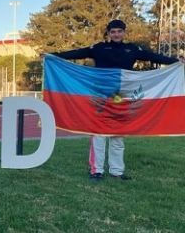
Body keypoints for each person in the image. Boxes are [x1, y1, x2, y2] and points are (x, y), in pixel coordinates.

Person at [53, 19, 183, 181]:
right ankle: (96, 170)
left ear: (124, 32)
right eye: (113, 32)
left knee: (118, 134)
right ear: (108, 33)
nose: (116, 34)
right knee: (98, 133)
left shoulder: (132, 49)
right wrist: (53, 56)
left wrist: (176, 61)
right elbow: (76, 53)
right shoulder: (98, 48)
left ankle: (117, 171)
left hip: (122, 97)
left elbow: (153, 57)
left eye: (119, 31)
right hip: (100, 95)